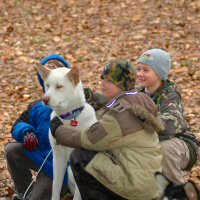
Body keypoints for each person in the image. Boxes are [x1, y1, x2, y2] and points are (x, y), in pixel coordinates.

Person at [50, 59, 164, 200]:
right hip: (149, 184)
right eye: (102, 78)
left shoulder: (119, 115)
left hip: (135, 187)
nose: (102, 83)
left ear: (122, 84)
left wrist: (58, 130)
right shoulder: (137, 99)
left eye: (109, 81)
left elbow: (89, 139)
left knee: (80, 156)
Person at [4, 54, 71, 200]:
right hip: (40, 156)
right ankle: (24, 191)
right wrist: (26, 132)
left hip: (60, 168)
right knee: (11, 150)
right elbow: (19, 123)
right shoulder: (37, 106)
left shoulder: (78, 102)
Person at [137, 48, 200, 184]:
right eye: (139, 69)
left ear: (160, 73)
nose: (140, 74)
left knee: (164, 148)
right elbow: (112, 103)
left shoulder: (170, 96)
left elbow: (171, 124)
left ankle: (175, 192)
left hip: (182, 144)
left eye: (146, 70)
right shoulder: (136, 93)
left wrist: (140, 122)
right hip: (149, 142)